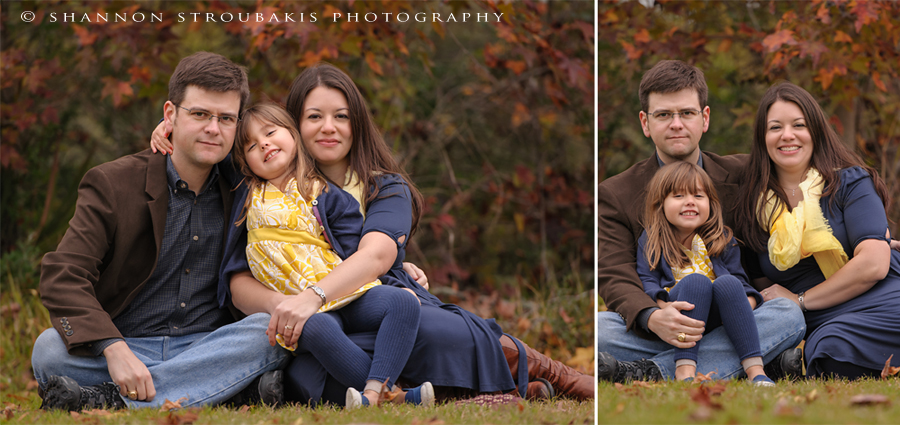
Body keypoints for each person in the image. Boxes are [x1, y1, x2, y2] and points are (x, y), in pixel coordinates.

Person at [154, 63, 593, 402]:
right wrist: (169, 128)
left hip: (370, 300)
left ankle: (548, 377)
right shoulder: (256, 184)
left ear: (356, 122)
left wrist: (315, 296)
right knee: (312, 360)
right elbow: (212, 140)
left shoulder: (385, 186)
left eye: (341, 116)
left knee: (427, 330)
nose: (328, 127)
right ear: (294, 126)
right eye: (314, 116)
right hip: (308, 317)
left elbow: (377, 258)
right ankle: (482, 388)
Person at [32, 52, 289, 411]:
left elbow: (305, 153)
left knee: (270, 331)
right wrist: (113, 348)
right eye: (199, 114)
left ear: (237, 124)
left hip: (211, 344)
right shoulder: (113, 183)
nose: (213, 128)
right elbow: (62, 275)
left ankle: (112, 400)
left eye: (225, 118)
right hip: (129, 341)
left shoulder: (248, 184)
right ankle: (220, 388)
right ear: (170, 115)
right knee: (49, 350)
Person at [597, 60, 806, 383]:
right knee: (601, 330)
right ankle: (756, 361)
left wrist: (869, 230)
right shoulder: (616, 192)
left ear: (704, 118)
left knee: (788, 315)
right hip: (665, 321)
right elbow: (614, 273)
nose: (676, 124)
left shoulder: (743, 174)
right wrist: (652, 316)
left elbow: (810, 180)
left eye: (687, 113)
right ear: (645, 122)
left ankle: (650, 372)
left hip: (734, 313)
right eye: (664, 115)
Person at [231, 102, 432, 407]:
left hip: (342, 292)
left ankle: (377, 391)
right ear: (245, 162)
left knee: (403, 302)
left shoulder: (325, 193)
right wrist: (167, 130)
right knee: (317, 326)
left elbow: (357, 252)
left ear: (294, 136)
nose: (265, 144)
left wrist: (398, 272)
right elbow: (208, 151)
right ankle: (392, 397)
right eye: (251, 146)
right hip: (300, 308)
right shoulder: (246, 193)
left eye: (271, 132)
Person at [733, 82, 900, 379]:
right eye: (775, 128)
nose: (787, 135)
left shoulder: (850, 183)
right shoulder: (752, 206)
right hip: (823, 320)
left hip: (881, 295)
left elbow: (874, 264)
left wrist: (799, 300)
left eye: (799, 125)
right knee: (831, 349)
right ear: (762, 137)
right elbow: (760, 283)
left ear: (816, 132)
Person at [636, 162, 774, 385]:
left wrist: (743, 305)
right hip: (678, 317)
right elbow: (647, 280)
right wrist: (663, 308)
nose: (690, 201)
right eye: (679, 195)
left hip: (720, 316)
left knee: (735, 287)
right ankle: (685, 370)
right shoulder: (652, 240)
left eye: (698, 196)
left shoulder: (723, 238)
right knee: (697, 283)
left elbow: (740, 280)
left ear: (711, 204)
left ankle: (756, 372)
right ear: (660, 204)